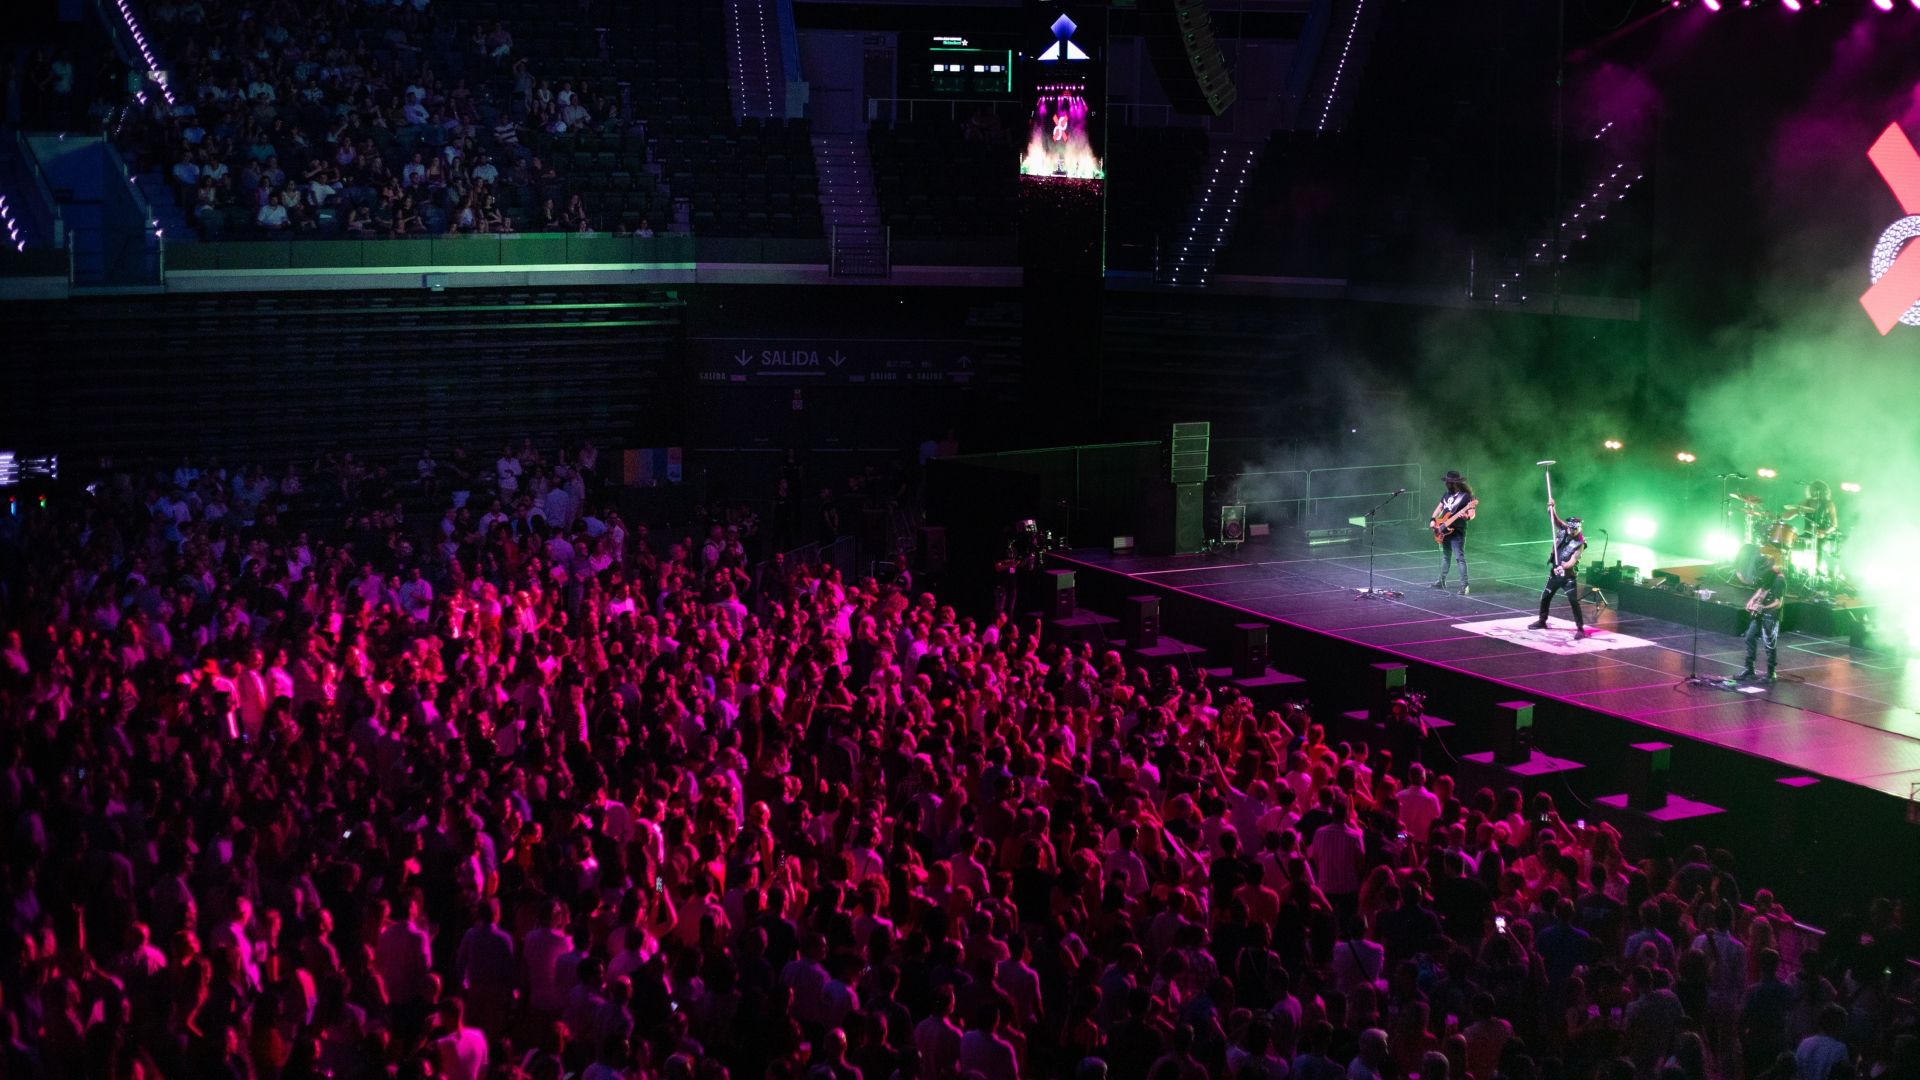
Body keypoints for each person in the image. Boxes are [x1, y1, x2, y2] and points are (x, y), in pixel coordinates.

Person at [1529, 499, 1590, 635]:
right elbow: (1554, 518)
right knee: (1545, 596)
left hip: (1568, 577)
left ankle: (1580, 629)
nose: (1573, 531)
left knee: (1573, 601)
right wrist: (1552, 507)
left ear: (1579, 528)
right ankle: (1542, 621)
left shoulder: (1580, 542)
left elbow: (1573, 560)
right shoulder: (1564, 529)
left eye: (1576, 529)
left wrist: (1564, 567)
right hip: (1555, 573)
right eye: (1571, 529)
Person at [1738, 550, 1787, 684]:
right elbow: (1762, 589)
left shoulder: (1780, 580)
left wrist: (1762, 608)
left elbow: (1778, 603)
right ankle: (1749, 669)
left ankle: (1771, 673)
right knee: (1749, 636)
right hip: (1760, 614)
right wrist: (1752, 600)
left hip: (1771, 615)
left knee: (1769, 643)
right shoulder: (1769, 575)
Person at [1430, 470, 1477, 593]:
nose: (1446, 484)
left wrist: (1467, 516)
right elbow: (1439, 507)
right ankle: (1441, 581)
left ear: (1455, 483)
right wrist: (1433, 520)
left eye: (1449, 482)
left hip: (1457, 531)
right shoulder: (1447, 494)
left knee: (1459, 558)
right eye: (1446, 482)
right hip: (1444, 529)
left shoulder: (1466, 496)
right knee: (1446, 556)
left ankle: (1464, 586)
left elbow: (1472, 513)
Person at [1790, 481, 1839, 579]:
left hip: (1821, 536)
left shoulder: (1829, 504)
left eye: (1817, 489)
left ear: (1823, 491)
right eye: (1812, 489)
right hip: (1807, 534)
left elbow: (1834, 525)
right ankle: (1795, 571)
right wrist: (1795, 512)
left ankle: (1817, 573)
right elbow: (1787, 515)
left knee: (1819, 547)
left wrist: (1824, 532)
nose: (1814, 491)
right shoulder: (1805, 502)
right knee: (1794, 542)